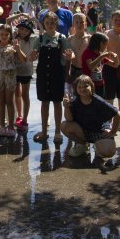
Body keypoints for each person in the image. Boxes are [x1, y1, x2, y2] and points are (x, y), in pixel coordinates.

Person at [29, 12, 74, 143]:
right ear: (44, 24)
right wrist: (32, 56)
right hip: (43, 74)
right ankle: (44, 131)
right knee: (44, 103)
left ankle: (57, 132)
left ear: (56, 23)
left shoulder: (62, 38)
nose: (50, 25)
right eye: (47, 23)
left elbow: (68, 56)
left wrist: (69, 58)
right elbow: (32, 57)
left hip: (57, 74)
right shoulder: (40, 39)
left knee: (57, 103)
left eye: (52, 23)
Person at [60, 75, 120, 163]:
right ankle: (83, 145)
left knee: (108, 152)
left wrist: (113, 132)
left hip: (99, 131)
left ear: (91, 87)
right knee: (64, 125)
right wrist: (66, 107)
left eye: (85, 86)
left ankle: (97, 146)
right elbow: (69, 120)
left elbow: (117, 113)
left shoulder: (98, 101)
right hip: (83, 131)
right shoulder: (74, 102)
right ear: (75, 89)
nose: (82, 89)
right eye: (79, 87)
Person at [0, 24, 26, 137]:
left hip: (10, 77)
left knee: (10, 102)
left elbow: (24, 60)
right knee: (1, 102)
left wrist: (18, 50)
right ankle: (2, 126)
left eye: (6, 34)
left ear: (10, 35)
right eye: (1, 34)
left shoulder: (13, 47)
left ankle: (11, 127)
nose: (4, 36)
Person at [11, 19, 35, 132]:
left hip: (26, 70)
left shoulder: (31, 41)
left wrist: (18, 50)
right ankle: (19, 115)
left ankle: (25, 119)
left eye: (26, 30)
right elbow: (6, 21)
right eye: (21, 29)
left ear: (30, 32)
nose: (23, 31)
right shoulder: (15, 38)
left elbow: (25, 59)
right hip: (15, 70)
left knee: (25, 94)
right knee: (17, 93)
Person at [81, 32, 118, 99]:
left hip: (100, 85)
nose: (106, 47)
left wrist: (116, 58)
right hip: (89, 85)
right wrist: (102, 56)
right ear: (100, 44)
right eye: (105, 45)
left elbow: (115, 65)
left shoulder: (100, 54)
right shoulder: (87, 52)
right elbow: (91, 66)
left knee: (100, 105)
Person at [66, 13, 90, 95]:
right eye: (77, 22)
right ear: (73, 24)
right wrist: (67, 73)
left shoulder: (90, 38)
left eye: (82, 22)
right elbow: (66, 57)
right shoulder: (70, 39)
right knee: (74, 95)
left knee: (86, 95)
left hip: (86, 70)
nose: (79, 24)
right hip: (74, 70)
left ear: (85, 24)